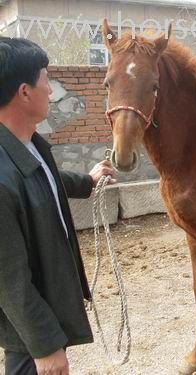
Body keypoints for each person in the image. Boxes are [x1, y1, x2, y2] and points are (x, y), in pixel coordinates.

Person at [0, 37, 115, 375]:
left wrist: (89, 181)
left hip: (45, 309)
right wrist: (45, 345)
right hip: (27, 334)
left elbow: (46, 179)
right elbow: (8, 278)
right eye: (46, 80)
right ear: (24, 92)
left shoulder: (27, 144)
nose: (50, 91)